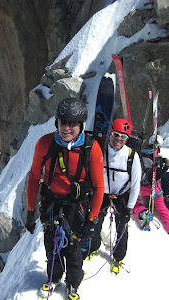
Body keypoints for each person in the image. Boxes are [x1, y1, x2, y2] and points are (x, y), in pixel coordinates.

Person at [25, 98, 105, 300]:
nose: (67, 128)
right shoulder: (45, 144)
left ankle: (73, 282)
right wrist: (30, 209)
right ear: (57, 123)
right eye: (63, 122)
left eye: (72, 123)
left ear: (81, 125)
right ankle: (54, 277)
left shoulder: (91, 148)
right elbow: (34, 177)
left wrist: (92, 219)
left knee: (72, 246)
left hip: (76, 204)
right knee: (51, 243)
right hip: (51, 201)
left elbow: (98, 186)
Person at [87, 118, 141, 274]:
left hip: (122, 195)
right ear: (110, 133)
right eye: (116, 134)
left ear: (127, 139)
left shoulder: (132, 156)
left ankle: (118, 258)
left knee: (121, 228)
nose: (118, 139)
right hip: (101, 193)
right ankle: (93, 247)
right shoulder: (100, 150)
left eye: (123, 137)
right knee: (95, 222)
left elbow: (136, 183)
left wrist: (130, 207)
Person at [133, 135, 169, 236]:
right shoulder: (157, 158)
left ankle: (142, 211)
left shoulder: (140, 155)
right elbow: (157, 176)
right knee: (162, 208)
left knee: (133, 202)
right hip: (154, 188)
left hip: (141, 188)